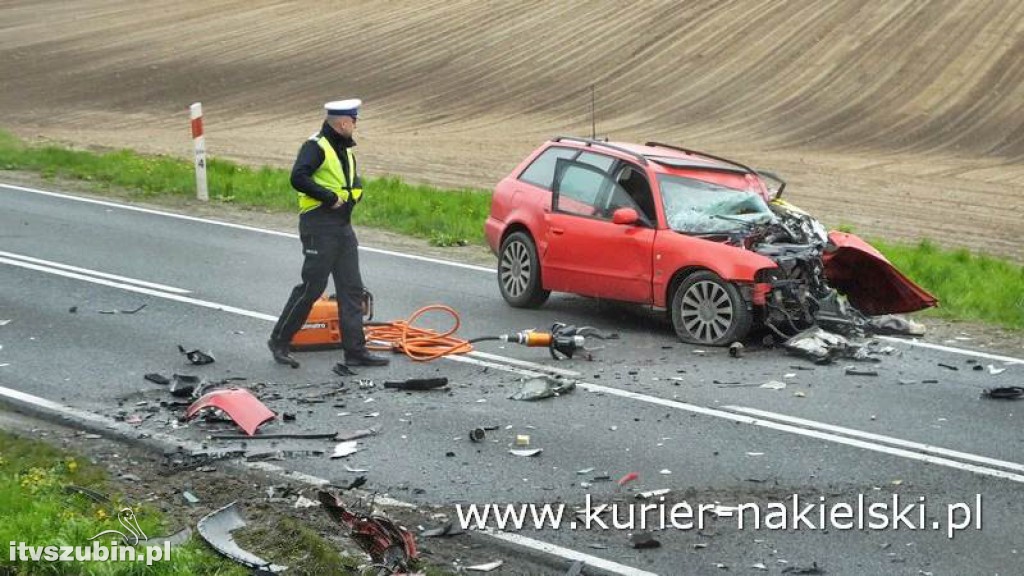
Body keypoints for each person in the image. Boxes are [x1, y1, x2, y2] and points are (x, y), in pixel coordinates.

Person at [267, 99, 389, 369]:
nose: (356, 125)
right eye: (354, 121)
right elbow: (298, 177)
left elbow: (352, 183)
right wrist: (328, 198)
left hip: (342, 226)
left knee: (352, 289)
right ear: (344, 122)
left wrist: (352, 198)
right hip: (318, 226)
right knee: (312, 287)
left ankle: (355, 352)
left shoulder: (345, 150)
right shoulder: (316, 146)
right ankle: (279, 340)